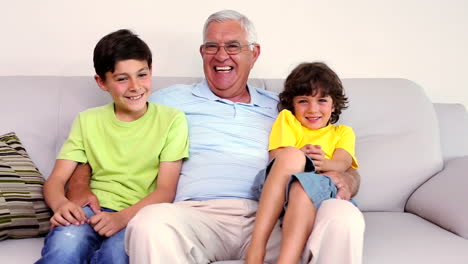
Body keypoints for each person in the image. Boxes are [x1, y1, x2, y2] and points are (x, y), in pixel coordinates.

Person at [67, 10, 364, 264]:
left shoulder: (287, 107)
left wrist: (349, 180)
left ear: (254, 53)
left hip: (277, 218)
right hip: (197, 216)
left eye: (233, 46)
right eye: (212, 46)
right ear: (202, 52)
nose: (221, 55)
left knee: (343, 215)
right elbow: (110, 132)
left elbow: (335, 155)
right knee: (150, 222)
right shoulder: (168, 101)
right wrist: (79, 183)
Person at [36, 29, 189, 264]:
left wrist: (121, 218)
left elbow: (166, 191)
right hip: (90, 210)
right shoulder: (87, 121)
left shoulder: (172, 120)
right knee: (64, 247)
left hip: (138, 215)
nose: (135, 86)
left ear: (151, 71)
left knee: (115, 257)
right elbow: (55, 180)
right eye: (121, 79)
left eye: (142, 75)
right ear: (101, 82)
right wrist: (61, 205)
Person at [246, 62, 359, 264]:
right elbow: (277, 158)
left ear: (334, 105)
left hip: (318, 190)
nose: (312, 109)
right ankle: (256, 248)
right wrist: (302, 156)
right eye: (303, 101)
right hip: (277, 187)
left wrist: (321, 163)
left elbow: (342, 162)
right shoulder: (287, 120)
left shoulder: (342, 132)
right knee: (291, 156)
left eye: (322, 100)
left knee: (303, 186)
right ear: (293, 104)